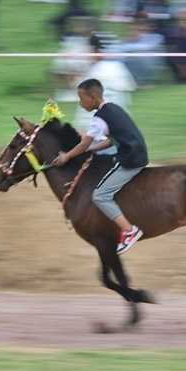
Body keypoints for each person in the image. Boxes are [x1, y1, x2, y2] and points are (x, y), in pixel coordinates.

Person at [52, 78, 148, 255]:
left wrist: (67, 156)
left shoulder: (99, 119)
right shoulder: (113, 108)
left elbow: (82, 145)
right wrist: (93, 149)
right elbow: (112, 140)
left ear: (93, 97)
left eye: (81, 98)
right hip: (135, 153)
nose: (80, 104)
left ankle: (129, 231)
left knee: (100, 195)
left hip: (131, 160)